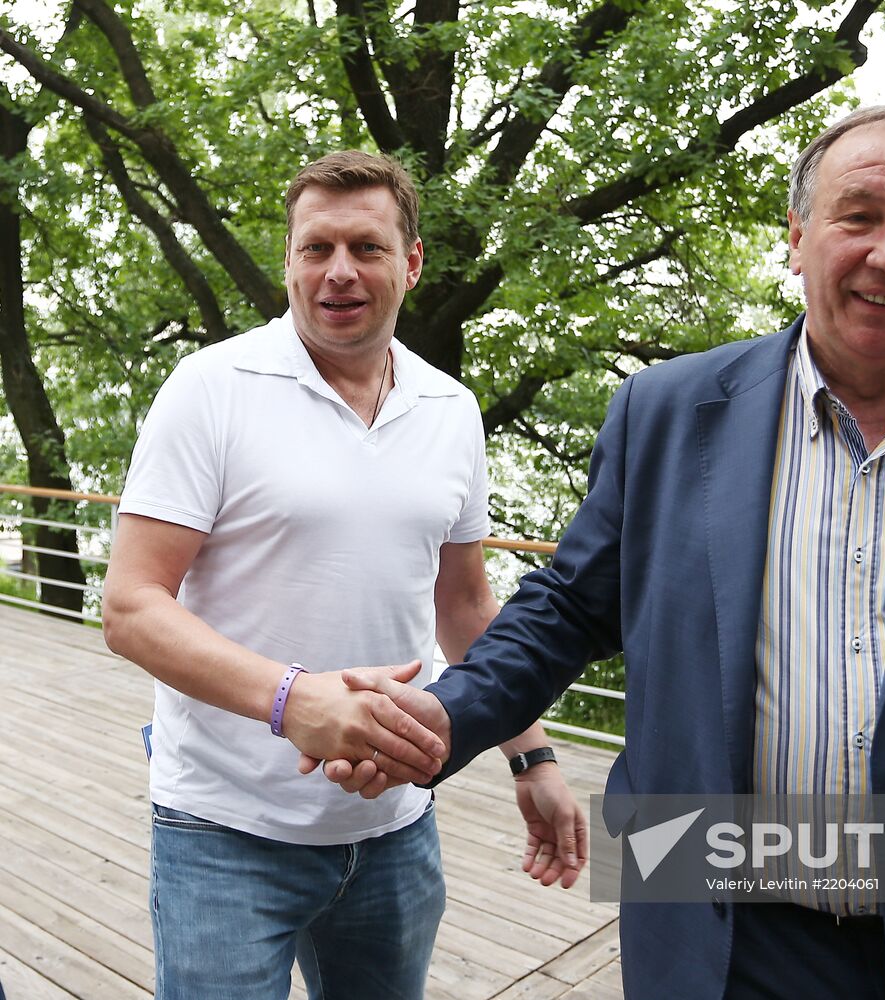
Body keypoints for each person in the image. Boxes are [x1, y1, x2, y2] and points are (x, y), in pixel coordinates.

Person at [324, 107, 885, 999]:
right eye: (857, 216)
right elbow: (568, 606)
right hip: (712, 936)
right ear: (798, 236)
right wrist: (442, 716)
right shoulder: (666, 412)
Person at [101, 150, 586, 1000]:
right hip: (222, 828)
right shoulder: (211, 388)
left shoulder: (450, 409)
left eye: (365, 247)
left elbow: (465, 604)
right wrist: (295, 699)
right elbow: (132, 607)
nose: (339, 273)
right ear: (288, 259)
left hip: (397, 828)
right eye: (315, 248)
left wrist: (531, 756)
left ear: (413, 262)